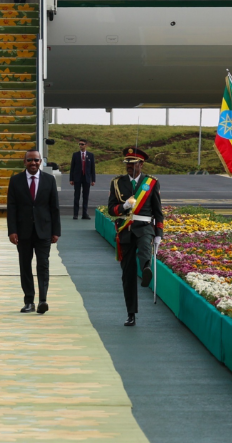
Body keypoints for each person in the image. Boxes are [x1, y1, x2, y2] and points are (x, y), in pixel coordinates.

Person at [106, 147, 163, 327]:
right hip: (125, 229)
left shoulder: (151, 183)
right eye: (127, 163)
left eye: (132, 163)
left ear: (141, 164)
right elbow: (111, 209)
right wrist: (123, 207)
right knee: (127, 274)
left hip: (144, 225)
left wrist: (159, 234)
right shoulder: (117, 183)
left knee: (145, 247)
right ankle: (131, 313)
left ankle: (146, 268)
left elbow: (158, 211)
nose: (129, 167)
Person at [7, 149, 61, 314]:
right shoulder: (15, 180)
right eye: (30, 160)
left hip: (44, 231)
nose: (33, 163)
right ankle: (29, 301)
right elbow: (12, 208)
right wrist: (12, 230)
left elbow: (54, 207)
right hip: (23, 232)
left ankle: (43, 300)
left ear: (41, 162)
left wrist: (56, 231)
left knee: (43, 265)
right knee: (25, 266)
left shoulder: (49, 180)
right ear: (24, 162)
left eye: (36, 160)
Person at [69, 140, 95, 220]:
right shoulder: (75, 155)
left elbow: (92, 168)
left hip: (86, 178)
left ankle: (85, 214)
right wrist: (71, 179)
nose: (81, 146)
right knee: (76, 196)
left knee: (85, 196)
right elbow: (72, 168)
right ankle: (75, 214)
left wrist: (93, 179)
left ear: (86, 145)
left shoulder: (90, 155)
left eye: (82, 144)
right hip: (77, 177)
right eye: (79, 144)